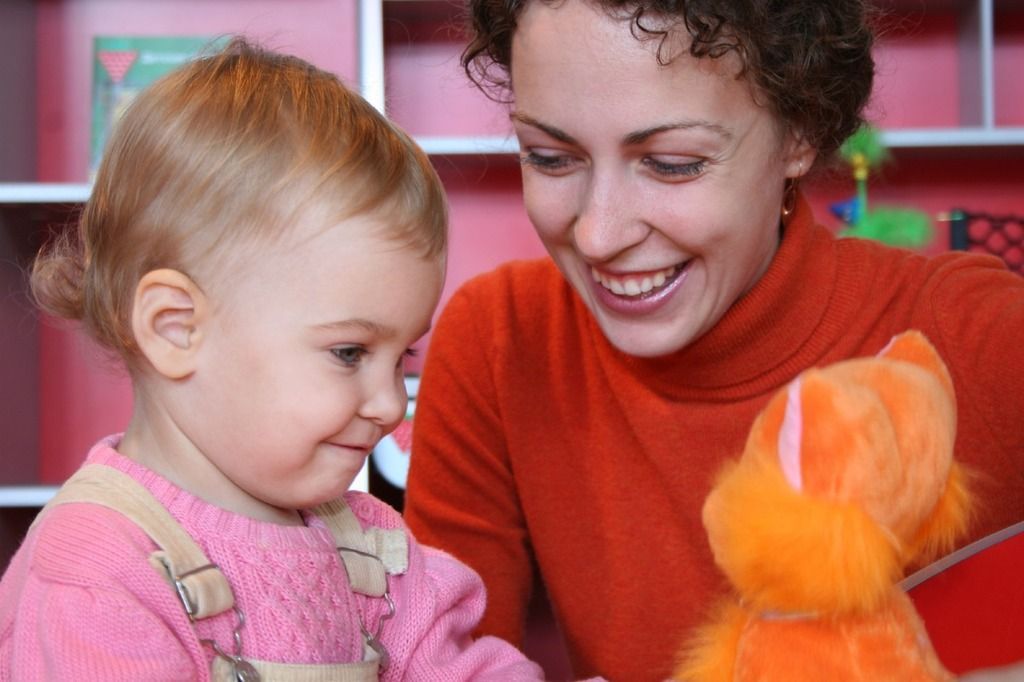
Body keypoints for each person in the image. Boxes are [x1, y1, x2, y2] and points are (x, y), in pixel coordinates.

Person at [401, 1, 1024, 680]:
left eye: (671, 164)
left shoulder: (975, 332)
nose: (596, 235)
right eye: (550, 158)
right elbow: (436, 661)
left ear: (800, 135)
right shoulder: (500, 339)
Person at [0, 37, 555, 681]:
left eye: (400, 356)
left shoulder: (370, 549)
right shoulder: (99, 573)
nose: (388, 403)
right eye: (349, 352)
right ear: (175, 329)